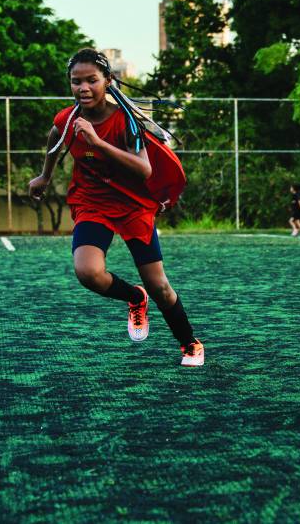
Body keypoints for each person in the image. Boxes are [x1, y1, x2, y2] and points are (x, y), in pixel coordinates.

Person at [28, 48, 203, 367]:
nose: (83, 88)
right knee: (88, 272)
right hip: (92, 202)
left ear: (108, 81)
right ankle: (135, 298)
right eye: (75, 81)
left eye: (91, 80)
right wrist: (45, 175)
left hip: (134, 206)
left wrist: (97, 143)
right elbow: (56, 135)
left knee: (159, 285)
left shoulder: (127, 123)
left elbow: (144, 169)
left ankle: (189, 343)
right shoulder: (68, 119)